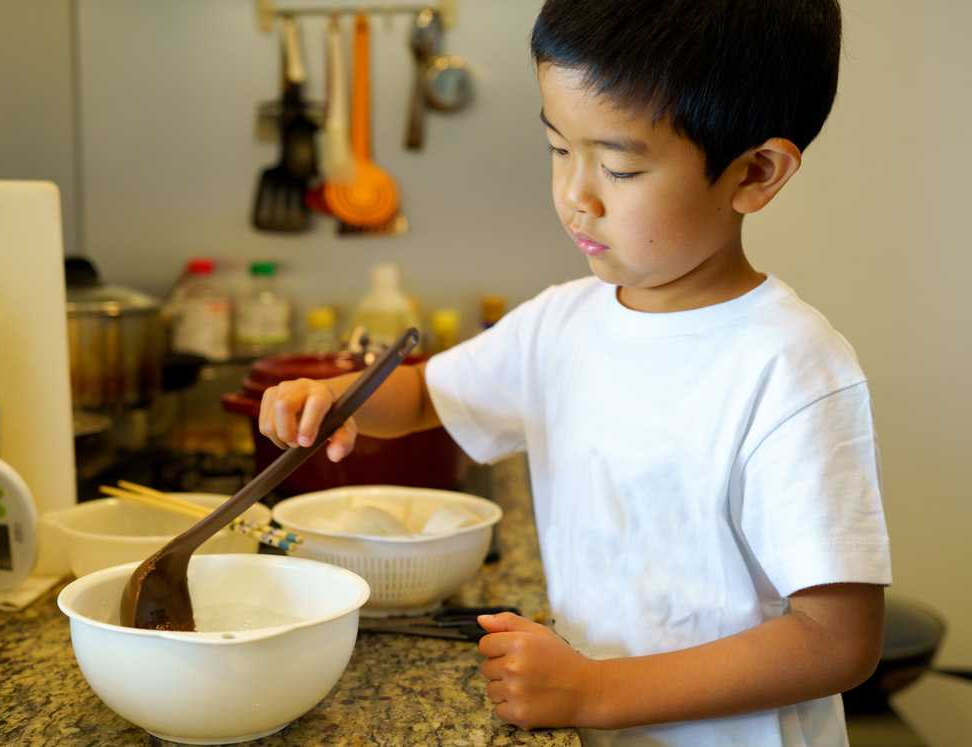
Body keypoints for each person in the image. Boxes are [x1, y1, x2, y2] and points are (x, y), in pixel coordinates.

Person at [257, 0, 891, 744]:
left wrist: (592, 690)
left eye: (619, 166)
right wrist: (336, 398)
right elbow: (425, 394)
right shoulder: (563, 324)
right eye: (560, 149)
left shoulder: (790, 367)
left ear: (755, 173)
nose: (575, 197)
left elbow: (838, 639)